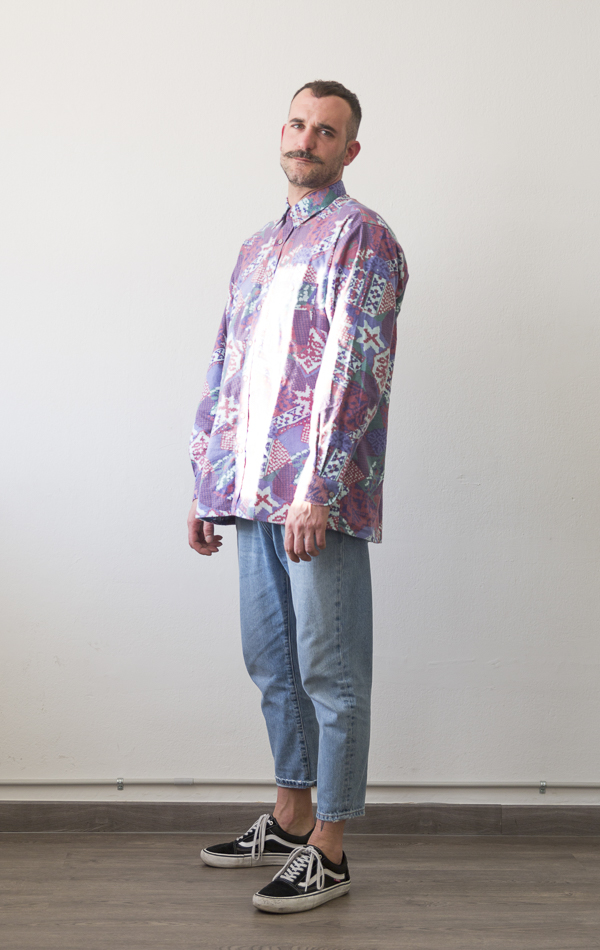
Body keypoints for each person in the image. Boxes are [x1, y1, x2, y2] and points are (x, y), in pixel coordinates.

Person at [187, 80, 408, 914]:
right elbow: (227, 365)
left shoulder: (363, 237)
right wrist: (207, 479)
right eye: (298, 124)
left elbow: (358, 369)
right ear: (282, 132)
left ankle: (332, 848)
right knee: (272, 662)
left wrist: (319, 485)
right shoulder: (257, 249)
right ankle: (290, 818)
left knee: (330, 671)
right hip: (249, 491)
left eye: (326, 131)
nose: (306, 139)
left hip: (316, 500)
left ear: (350, 150)